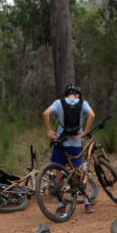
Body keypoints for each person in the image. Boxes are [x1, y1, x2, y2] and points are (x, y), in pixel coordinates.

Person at [42, 84, 96, 213]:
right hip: (75, 143)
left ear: (66, 94)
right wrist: (84, 132)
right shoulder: (82, 103)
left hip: (60, 142)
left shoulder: (58, 103)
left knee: (59, 171)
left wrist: (49, 130)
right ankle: (87, 202)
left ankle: (61, 205)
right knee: (78, 171)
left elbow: (45, 113)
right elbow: (92, 115)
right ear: (77, 95)